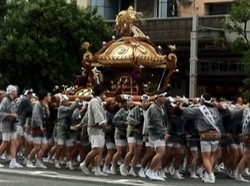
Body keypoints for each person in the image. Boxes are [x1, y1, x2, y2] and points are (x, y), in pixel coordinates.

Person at [181, 93, 225, 183]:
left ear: (203, 100)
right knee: (212, 156)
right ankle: (208, 174)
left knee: (206, 157)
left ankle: (211, 176)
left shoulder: (200, 110)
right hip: (216, 135)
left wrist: (183, 103)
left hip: (206, 136)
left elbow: (185, 111)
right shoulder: (215, 110)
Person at [79, 84, 109, 176]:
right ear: (102, 92)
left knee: (100, 149)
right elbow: (97, 115)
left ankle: (97, 169)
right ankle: (84, 163)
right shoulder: (95, 101)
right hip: (95, 128)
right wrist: (103, 123)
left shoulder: (96, 101)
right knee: (97, 149)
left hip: (97, 128)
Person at [120, 94, 151, 176]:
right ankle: (124, 166)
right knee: (131, 151)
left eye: (147, 101)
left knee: (138, 152)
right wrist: (135, 122)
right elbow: (129, 118)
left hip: (141, 133)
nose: (145, 103)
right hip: (132, 131)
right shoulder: (136, 109)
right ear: (141, 102)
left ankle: (132, 169)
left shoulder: (149, 111)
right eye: (144, 102)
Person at [145, 89, 168, 181]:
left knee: (161, 153)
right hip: (155, 133)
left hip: (159, 133)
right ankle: (150, 170)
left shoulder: (161, 107)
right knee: (161, 152)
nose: (165, 98)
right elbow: (157, 122)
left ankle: (155, 172)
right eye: (163, 96)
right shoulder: (153, 108)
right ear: (158, 97)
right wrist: (164, 132)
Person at [54, 95, 80, 170]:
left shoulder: (68, 109)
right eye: (66, 101)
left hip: (67, 128)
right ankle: (56, 160)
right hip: (60, 128)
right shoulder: (61, 108)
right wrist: (76, 102)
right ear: (62, 102)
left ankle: (69, 162)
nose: (68, 102)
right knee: (60, 146)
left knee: (70, 146)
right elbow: (70, 109)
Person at [26, 89, 51, 169]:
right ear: (44, 97)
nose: (49, 97)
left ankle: (39, 161)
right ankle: (29, 161)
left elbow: (47, 116)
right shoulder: (38, 105)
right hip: (37, 127)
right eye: (48, 96)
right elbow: (36, 115)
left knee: (44, 146)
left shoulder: (44, 105)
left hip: (43, 127)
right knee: (37, 146)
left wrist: (47, 109)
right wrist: (40, 125)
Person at [0, 85, 23, 168]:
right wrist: (10, 114)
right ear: (12, 92)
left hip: (13, 124)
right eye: (15, 90)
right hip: (6, 124)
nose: (16, 92)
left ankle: (13, 161)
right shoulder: (5, 100)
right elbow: (0, 113)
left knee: (14, 142)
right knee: (5, 142)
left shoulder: (13, 100)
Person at [16, 86, 34, 164]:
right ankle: (15, 157)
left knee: (21, 141)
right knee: (24, 141)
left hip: (20, 121)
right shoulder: (26, 100)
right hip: (22, 122)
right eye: (30, 94)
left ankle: (15, 157)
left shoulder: (21, 98)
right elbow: (31, 111)